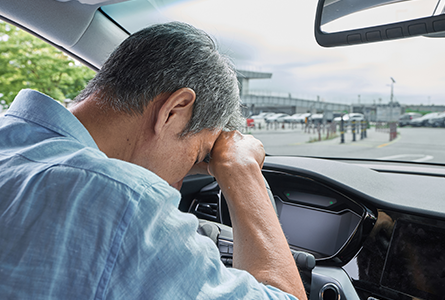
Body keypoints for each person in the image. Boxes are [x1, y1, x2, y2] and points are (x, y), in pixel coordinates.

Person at [0, 22, 306, 299]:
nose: (177, 185)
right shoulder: (126, 201)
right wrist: (241, 170)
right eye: (198, 156)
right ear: (174, 110)